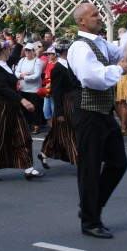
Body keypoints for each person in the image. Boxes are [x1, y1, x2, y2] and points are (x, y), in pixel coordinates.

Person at [67, 3, 127, 239]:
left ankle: (91, 207)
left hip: (102, 112)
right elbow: (92, 77)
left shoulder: (99, 43)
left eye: (98, 14)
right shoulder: (79, 46)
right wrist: (118, 70)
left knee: (118, 163)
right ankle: (89, 220)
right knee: (89, 166)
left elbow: (123, 52)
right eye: (94, 15)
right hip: (88, 112)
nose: (99, 18)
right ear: (82, 21)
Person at [0, 41, 43, 181]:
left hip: (12, 105)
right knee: (0, 137)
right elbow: (3, 88)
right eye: (8, 49)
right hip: (0, 106)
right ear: (3, 51)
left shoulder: (6, 63)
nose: (10, 51)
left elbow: (16, 51)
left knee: (23, 135)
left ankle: (28, 167)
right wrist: (22, 100)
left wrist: (20, 33)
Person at [39, 39, 78, 168]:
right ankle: (78, 160)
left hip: (73, 99)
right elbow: (56, 91)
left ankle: (45, 151)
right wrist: (59, 111)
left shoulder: (70, 64)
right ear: (65, 50)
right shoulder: (57, 68)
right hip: (65, 102)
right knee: (70, 131)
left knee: (60, 130)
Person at [15, 43, 43, 134]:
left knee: (34, 108)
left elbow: (37, 75)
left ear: (33, 51)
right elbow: (17, 71)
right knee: (24, 108)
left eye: (29, 50)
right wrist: (21, 75)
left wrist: (25, 77)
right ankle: (27, 125)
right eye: (26, 50)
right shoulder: (22, 60)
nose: (27, 52)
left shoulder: (37, 61)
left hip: (34, 89)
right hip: (23, 88)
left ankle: (36, 125)